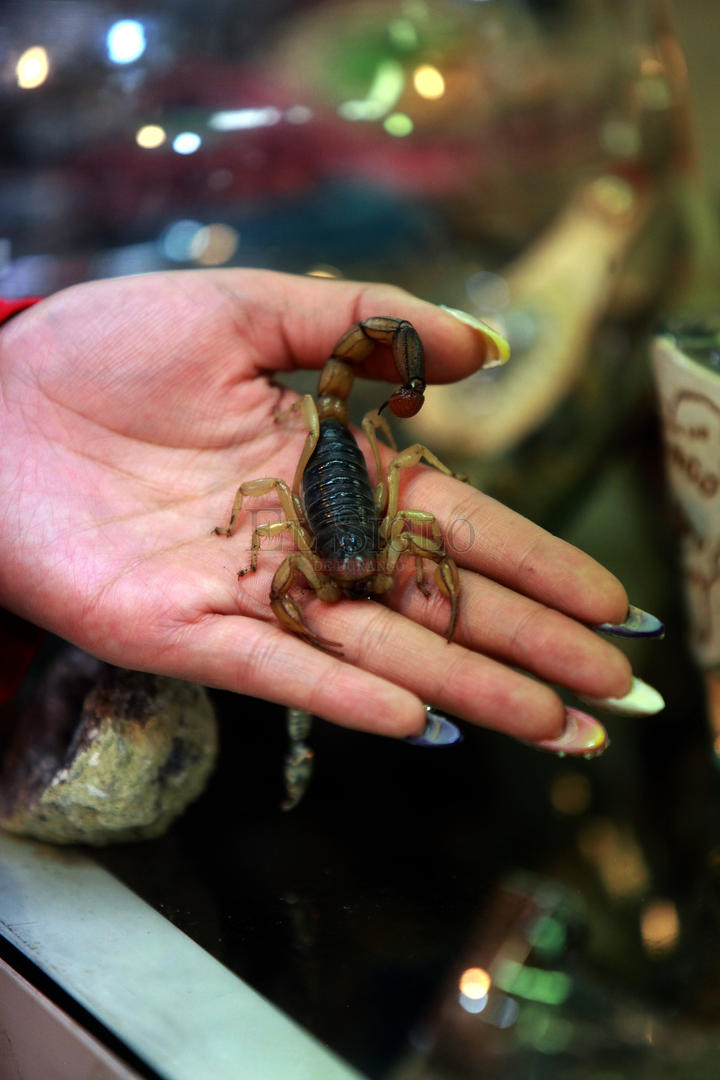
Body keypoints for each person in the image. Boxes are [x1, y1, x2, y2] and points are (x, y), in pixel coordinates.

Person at [0, 269, 663, 755]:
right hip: (322, 478)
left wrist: (440, 584)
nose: (359, 577)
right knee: (285, 502)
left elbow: (418, 516)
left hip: (347, 466)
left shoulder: (390, 539)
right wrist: (244, 540)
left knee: (406, 482)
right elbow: (276, 548)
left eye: (371, 568)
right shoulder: (305, 555)